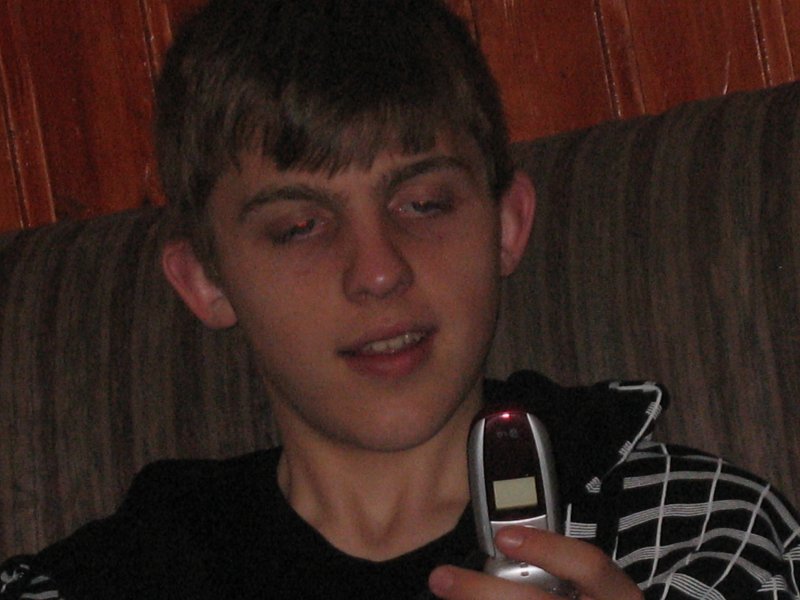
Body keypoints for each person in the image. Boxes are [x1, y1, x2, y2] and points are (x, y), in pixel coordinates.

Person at [1, 0, 798, 598]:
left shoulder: (698, 534)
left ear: (507, 226)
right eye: (300, 227)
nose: (378, 271)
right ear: (206, 281)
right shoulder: (112, 575)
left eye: (423, 204)